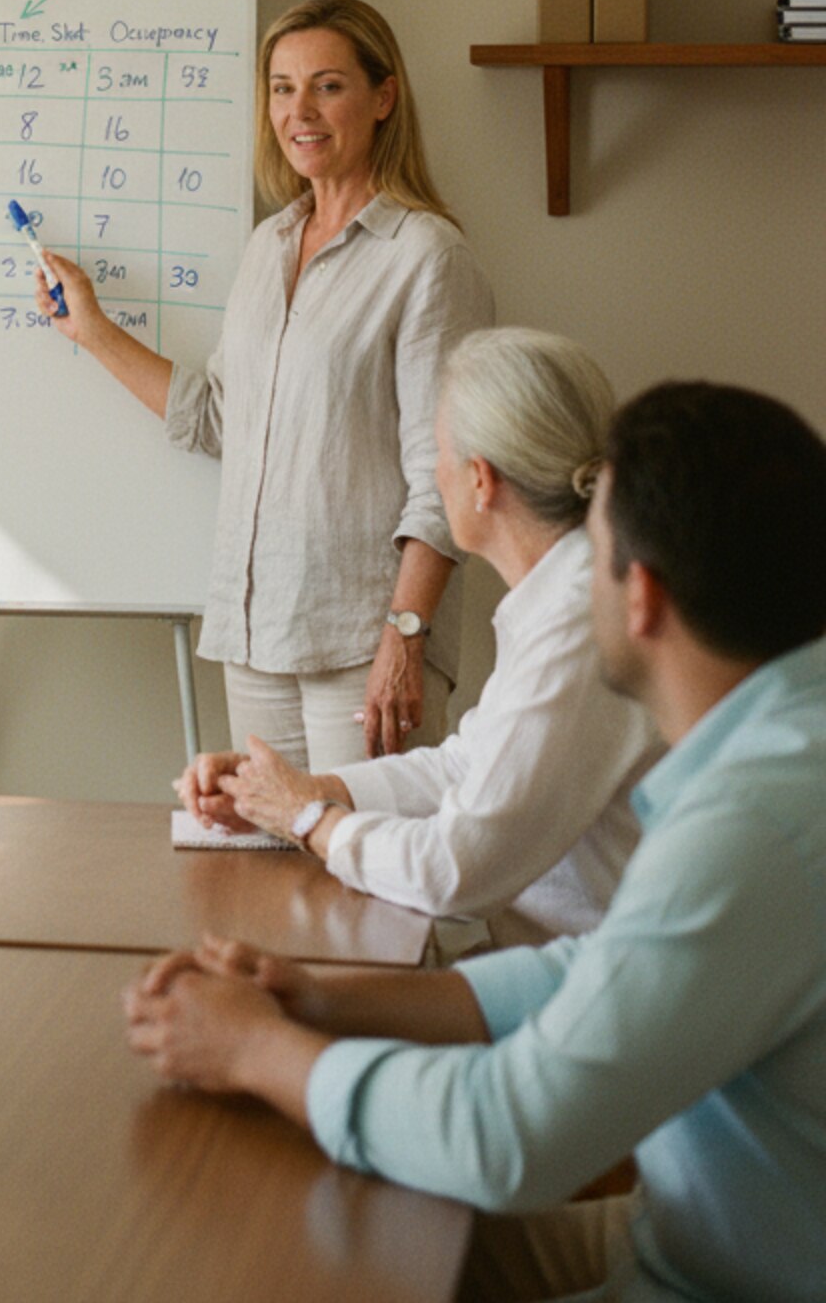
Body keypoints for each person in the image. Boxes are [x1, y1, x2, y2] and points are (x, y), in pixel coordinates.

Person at [125, 381, 826, 1303]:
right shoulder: (781, 751)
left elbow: (510, 1137)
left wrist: (255, 1052)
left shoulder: (756, 825)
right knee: (332, 1241)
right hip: (691, 1232)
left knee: (295, 1261)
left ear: (641, 598)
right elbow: (598, 970)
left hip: (712, 1275)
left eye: (597, 556)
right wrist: (322, 1002)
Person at [39, 0, 493, 770]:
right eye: (282, 88)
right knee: (271, 883)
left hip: (363, 640)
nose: (300, 111)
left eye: (327, 85)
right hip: (253, 638)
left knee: (365, 878)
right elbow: (220, 418)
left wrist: (404, 638)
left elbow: (446, 476)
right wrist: (93, 331)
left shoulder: (425, 256)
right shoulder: (268, 244)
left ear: (384, 98)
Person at [178, 327, 663, 945]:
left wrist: (303, 817)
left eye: (438, 454)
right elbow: (466, 765)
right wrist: (301, 790)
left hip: (596, 981)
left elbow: (454, 871)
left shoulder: (579, 619)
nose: (432, 476)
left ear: (481, 481)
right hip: (561, 963)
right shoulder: (563, 593)